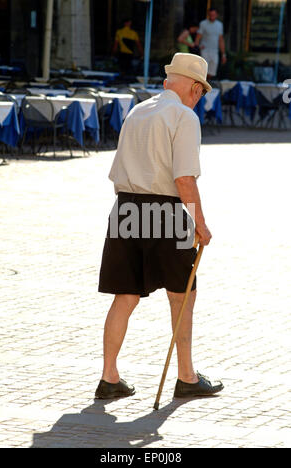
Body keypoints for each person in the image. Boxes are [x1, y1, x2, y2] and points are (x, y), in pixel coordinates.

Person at [95, 53, 224, 400]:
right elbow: (184, 179)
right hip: (164, 212)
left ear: (169, 82)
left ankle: (109, 377)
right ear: (195, 89)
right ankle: (186, 377)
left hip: (124, 209)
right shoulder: (184, 116)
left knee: (125, 295)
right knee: (182, 295)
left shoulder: (138, 110)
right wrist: (201, 223)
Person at [195, 8, 227, 79]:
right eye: (211, 15)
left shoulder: (219, 25)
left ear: (216, 15)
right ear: (208, 15)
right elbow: (198, 37)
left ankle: (206, 85)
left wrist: (223, 54)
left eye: (214, 15)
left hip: (215, 51)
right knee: (203, 70)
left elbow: (221, 40)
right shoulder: (203, 23)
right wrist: (198, 47)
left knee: (212, 72)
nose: (212, 16)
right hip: (205, 50)